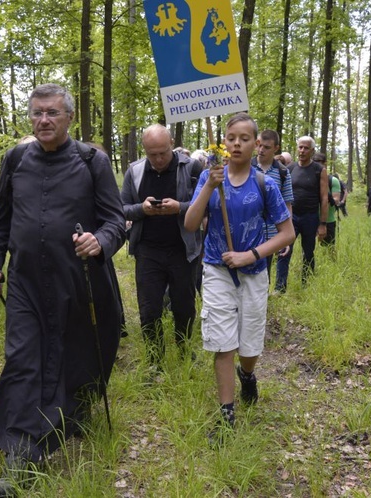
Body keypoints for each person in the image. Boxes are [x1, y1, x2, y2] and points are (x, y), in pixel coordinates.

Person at [0, 83, 126, 496]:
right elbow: (0, 222)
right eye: (36, 113)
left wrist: (99, 241)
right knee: (23, 359)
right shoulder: (15, 160)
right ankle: (21, 458)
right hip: (26, 282)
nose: (43, 120)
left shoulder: (91, 161)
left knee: (74, 356)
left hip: (77, 281)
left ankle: (72, 412)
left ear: (69, 118)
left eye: (52, 113)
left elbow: (115, 220)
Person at [184, 113, 295, 442]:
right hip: (216, 269)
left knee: (248, 345)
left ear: (257, 144)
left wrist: (253, 254)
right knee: (223, 342)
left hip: (254, 272)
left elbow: (286, 233)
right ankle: (226, 413)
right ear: (223, 141)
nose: (236, 143)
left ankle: (248, 375)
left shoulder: (266, 184)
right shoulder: (209, 177)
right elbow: (190, 224)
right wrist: (209, 187)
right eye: (231, 137)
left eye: (245, 138)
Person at [120, 124, 203, 370]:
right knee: (149, 309)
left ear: (172, 144)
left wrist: (180, 207)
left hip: (183, 249)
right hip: (148, 251)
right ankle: (154, 361)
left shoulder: (192, 168)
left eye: (163, 153)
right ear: (144, 150)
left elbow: (206, 204)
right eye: (151, 154)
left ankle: (185, 353)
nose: (158, 159)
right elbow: (121, 208)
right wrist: (141, 210)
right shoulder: (134, 172)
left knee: (184, 306)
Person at [274, 136, 329, 292]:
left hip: (310, 217)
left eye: (306, 148)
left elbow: (324, 198)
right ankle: (280, 287)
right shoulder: (290, 168)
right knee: (284, 250)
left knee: (308, 251)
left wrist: (323, 224)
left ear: (312, 151)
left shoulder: (319, 170)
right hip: (290, 218)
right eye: (300, 147)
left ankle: (306, 284)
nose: (302, 151)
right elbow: (281, 194)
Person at [251, 129, 293, 282]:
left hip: (270, 234)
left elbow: (287, 205)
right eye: (259, 145)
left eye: (267, 147)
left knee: (264, 276)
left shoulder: (282, 172)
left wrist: (286, 239)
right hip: (246, 231)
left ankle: (261, 305)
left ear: (276, 148)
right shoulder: (245, 167)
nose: (261, 150)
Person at [313, 152, 341, 258]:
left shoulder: (332, 180)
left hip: (328, 220)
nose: (317, 165)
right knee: (308, 248)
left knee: (329, 248)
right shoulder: (309, 180)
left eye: (320, 162)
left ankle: (332, 266)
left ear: (325, 164)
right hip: (311, 218)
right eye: (315, 162)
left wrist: (326, 197)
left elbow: (336, 200)